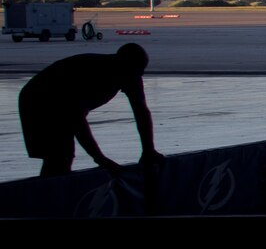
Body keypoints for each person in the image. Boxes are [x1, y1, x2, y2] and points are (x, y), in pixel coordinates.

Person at [17, 42, 165, 177]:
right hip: (37, 100)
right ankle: (48, 196)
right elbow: (76, 120)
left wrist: (148, 149)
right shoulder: (95, 74)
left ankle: (56, 192)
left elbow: (141, 112)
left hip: (60, 103)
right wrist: (100, 158)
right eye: (137, 70)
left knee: (64, 155)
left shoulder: (131, 74)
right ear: (122, 64)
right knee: (58, 155)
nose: (141, 75)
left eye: (141, 70)